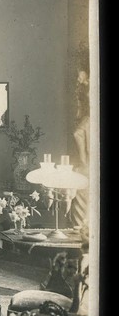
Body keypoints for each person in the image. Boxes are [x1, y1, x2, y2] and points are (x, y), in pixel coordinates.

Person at [70, 70, 89, 231]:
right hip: (87, 167)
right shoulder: (88, 119)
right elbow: (77, 133)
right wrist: (83, 159)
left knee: (82, 215)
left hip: (87, 168)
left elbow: (78, 133)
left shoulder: (88, 119)